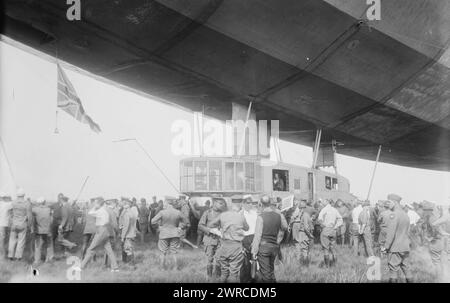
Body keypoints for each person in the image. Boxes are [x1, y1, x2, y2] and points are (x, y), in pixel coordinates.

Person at [209, 201, 249, 283]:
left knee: (224, 272)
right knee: (234, 273)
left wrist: (220, 228)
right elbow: (247, 228)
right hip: (236, 246)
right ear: (238, 209)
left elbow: (211, 224)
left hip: (224, 246)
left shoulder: (223, 215)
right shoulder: (240, 216)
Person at [251, 195, 288, 283]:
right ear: (270, 203)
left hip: (264, 247)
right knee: (271, 272)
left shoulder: (261, 217)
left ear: (261, 204)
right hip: (274, 246)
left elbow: (257, 236)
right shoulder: (278, 215)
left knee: (266, 275)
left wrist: (254, 252)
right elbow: (285, 227)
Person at [78, 197, 119, 272]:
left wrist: (95, 207)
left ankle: (81, 267)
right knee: (109, 249)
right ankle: (115, 267)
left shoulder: (100, 210)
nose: (94, 204)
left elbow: (90, 212)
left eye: (95, 203)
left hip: (101, 230)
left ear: (99, 204)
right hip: (105, 230)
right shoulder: (103, 210)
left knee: (91, 249)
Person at [380, 194, 411, 283]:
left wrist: (385, 247)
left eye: (389, 202)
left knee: (393, 270)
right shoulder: (405, 214)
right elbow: (408, 232)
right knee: (406, 268)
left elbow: (391, 233)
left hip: (395, 247)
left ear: (395, 202)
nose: (387, 204)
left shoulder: (394, 215)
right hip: (405, 246)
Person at [151, 196, 186, 269]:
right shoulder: (178, 212)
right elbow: (186, 222)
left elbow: (153, 221)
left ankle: (162, 268)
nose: (164, 204)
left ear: (167, 202)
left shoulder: (162, 212)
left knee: (163, 252)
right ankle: (175, 268)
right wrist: (180, 227)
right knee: (174, 252)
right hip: (175, 233)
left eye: (164, 202)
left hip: (164, 234)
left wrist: (158, 227)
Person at [198, 197, 225, 278]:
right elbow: (200, 225)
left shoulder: (223, 214)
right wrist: (210, 230)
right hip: (209, 239)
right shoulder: (207, 213)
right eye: (219, 203)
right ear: (214, 203)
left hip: (220, 240)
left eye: (222, 203)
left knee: (219, 259)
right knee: (209, 259)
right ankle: (209, 277)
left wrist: (221, 230)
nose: (221, 205)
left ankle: (217, 277)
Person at [8, 188, 32, 261]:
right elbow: (29, 216)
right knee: (21, 241)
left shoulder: (13, 202)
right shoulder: (27, 203)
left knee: (12, 240)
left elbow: (9, 213)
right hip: (22, 224)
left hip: (14, 223)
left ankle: (10, 256)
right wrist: (29, 225)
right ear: (24, 195)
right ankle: (18, 257)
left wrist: (10, 222)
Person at [317, 199, 343, 267]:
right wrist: (335, 226)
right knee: (333, 248)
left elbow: (319, 219)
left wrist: (322, 225)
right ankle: (335, 265)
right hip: (333, 230)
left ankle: (327, 267)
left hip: (326, 229)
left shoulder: (324, 209)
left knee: (326, 249)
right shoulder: (334, 210)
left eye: (323, 202)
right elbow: (340, 219)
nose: (322, 203)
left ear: (326, 202)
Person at [240, 195, 258, 282]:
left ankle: (253, 278)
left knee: (254, 259)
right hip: (244, 238)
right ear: (243, 203)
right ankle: (245, 279)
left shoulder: (255, 213)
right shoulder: (240, 214)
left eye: (251, 203)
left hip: (254, 237)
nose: (250, 205)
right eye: (248, 203)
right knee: (245, 261)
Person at [290, 199, 313, 266]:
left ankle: (299, 260)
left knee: (297, 243)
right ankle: (303, 260)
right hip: (301, 227)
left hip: (297, 226)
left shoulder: (297, 210)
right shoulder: (304, 213)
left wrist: (290, 224)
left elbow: (293, 219)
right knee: (302, 244)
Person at [31, 197, 52, 265]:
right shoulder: (48, 209)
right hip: (48, 230)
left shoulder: (34, 209)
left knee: (38, 246)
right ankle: (48, 259)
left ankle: (37, 260)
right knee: (48, 245)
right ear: (44, 202)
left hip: (39, 230)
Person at [119, 198, 138, 265]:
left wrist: (122, 236)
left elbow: (126, 226)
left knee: (128, 249)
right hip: (132, 233)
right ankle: (128, 262)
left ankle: (131, 265)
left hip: (128, 234)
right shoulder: (130, 211)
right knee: (129, 248)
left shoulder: (127, 213)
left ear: (125, 204)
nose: (120, 203)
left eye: (122, 202)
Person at [0, 192, 13, 259]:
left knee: (2, 240)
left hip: (1, 224)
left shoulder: (2, 204)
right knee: (7, 240)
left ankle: (2, 255)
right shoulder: (7, 204)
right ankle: (5, 255)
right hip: (7, 224)